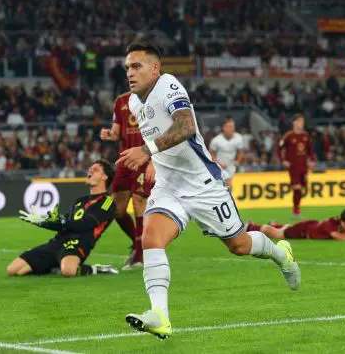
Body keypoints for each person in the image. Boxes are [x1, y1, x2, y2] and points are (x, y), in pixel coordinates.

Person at [116, 42, 301, 340]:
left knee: (239, 245)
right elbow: (159, 137)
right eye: (127, 67)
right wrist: (153, 161)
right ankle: (160, 316)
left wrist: (147, 150)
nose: (130, 72)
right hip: (168, 186)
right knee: (151, 237)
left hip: (202, 184)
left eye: (136, 66)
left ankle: (281, 254)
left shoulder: (168, 86)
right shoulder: (135, 103)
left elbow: (186, 127)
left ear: (155, 68)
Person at [6, 160, 119, 277]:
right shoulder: (80, 201)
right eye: (90, 168)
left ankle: (96, 269)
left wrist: (62, 221)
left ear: (104, 177)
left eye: (95, 169)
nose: (90, 170)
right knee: (13, 270)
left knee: (68, 271)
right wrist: (43, 222)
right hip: (58, 242)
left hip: (77, 244)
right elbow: (64, 225)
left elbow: (86, 224)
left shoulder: (107, 203)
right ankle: (54, 267)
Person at [100, 90, 154, 270]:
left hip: (145, 157)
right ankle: (138, 244)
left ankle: (140, 256)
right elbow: (116, 133)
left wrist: (153, 161)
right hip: (125, 159)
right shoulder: (120, 100)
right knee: (117, 209)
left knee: (139, 201)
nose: (132, 75)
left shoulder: (153, 97)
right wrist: (109, 134)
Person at [246, 209, 345, 241]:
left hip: (312, 225)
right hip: (304, 230)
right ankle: (252, 227)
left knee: (284, 228)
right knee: (276, 234)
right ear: (342, 222)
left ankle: (275, 224)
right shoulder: (330, 223)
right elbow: (340, 237)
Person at [278, 114, 316, 219]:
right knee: (297, 189)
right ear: (294, 122)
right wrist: (283, 161)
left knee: (302, 190)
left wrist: (312, 160)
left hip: (304, 167)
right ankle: (296, 212)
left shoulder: (306, 136)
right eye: (299, 121)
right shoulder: (288, 136)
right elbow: (279, 148)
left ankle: (296, 208)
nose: (301, 123)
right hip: (293, 167)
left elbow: (310, 151)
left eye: (302, 121)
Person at [209, 117, 245, 188]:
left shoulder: (239, 138)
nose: (232, 129)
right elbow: (210, 154)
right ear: (224, 128)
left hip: (232, 167)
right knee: (229, 184)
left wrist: (238, 161)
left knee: (227, 187)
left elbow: (241, 152)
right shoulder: (216, 140)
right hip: (221, 167)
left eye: (233, 126)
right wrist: (218, 164)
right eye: (230, 127)